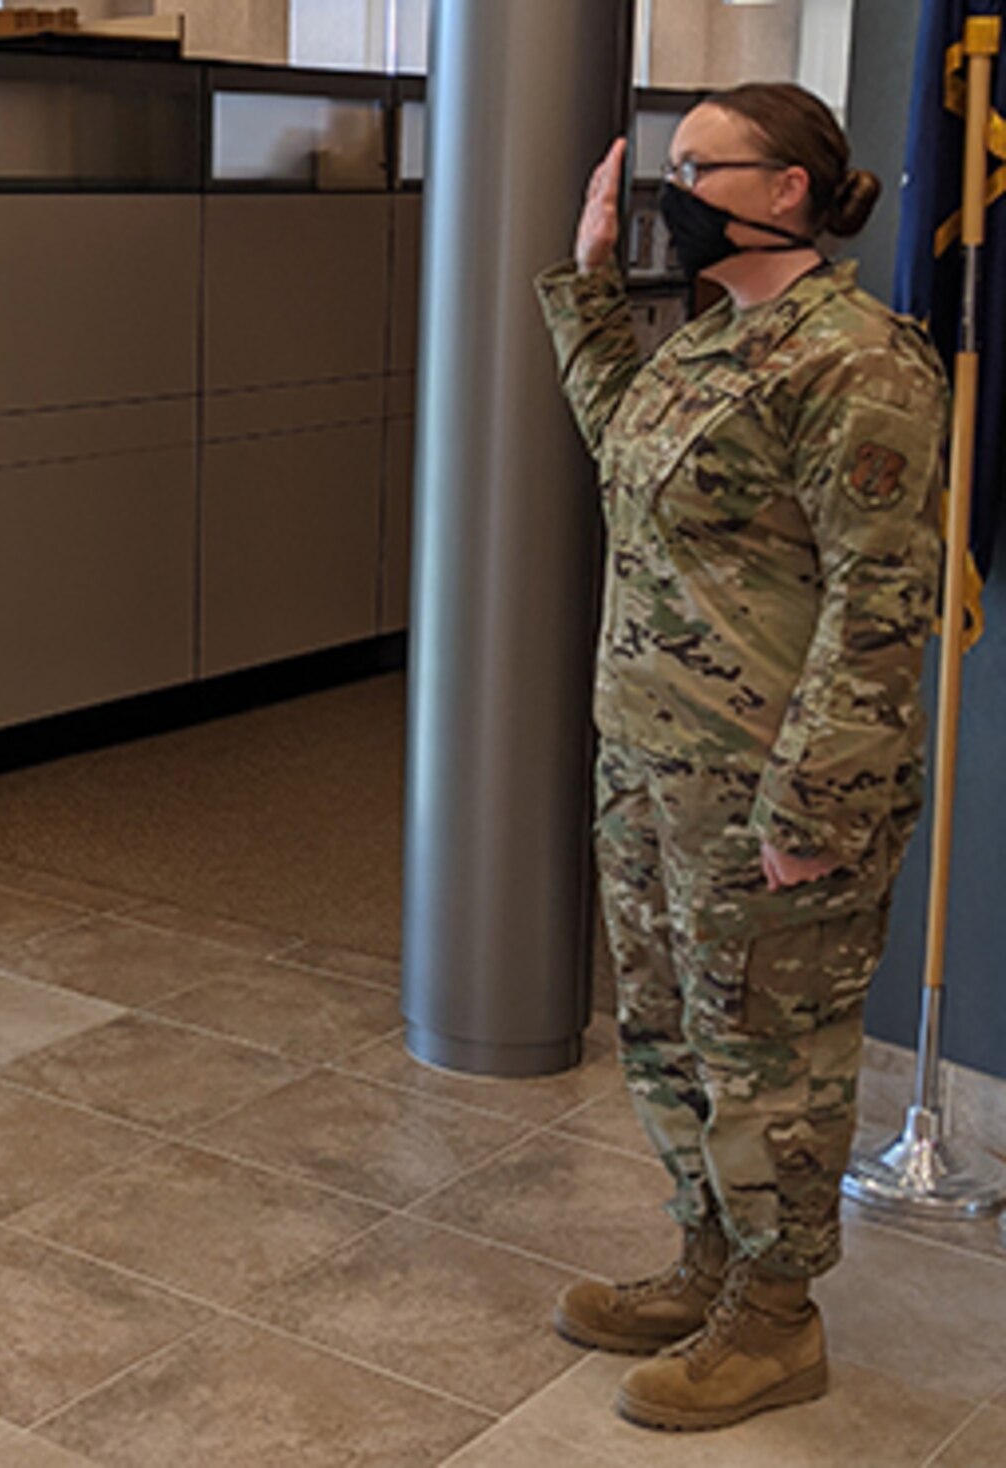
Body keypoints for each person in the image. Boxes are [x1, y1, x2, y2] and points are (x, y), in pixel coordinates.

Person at [535, 82, 947, 1431]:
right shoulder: (709, 346)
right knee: (669, 1035)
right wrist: (588, 282)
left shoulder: (862, 361)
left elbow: (885, 600)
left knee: (773, 1051)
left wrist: (819, 798)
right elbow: (623, 454)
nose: (674, 185)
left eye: (701, 164)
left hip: (770, 784)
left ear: (787, 192)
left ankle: (777, 1318)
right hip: (652, 766)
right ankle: (709, 1263)